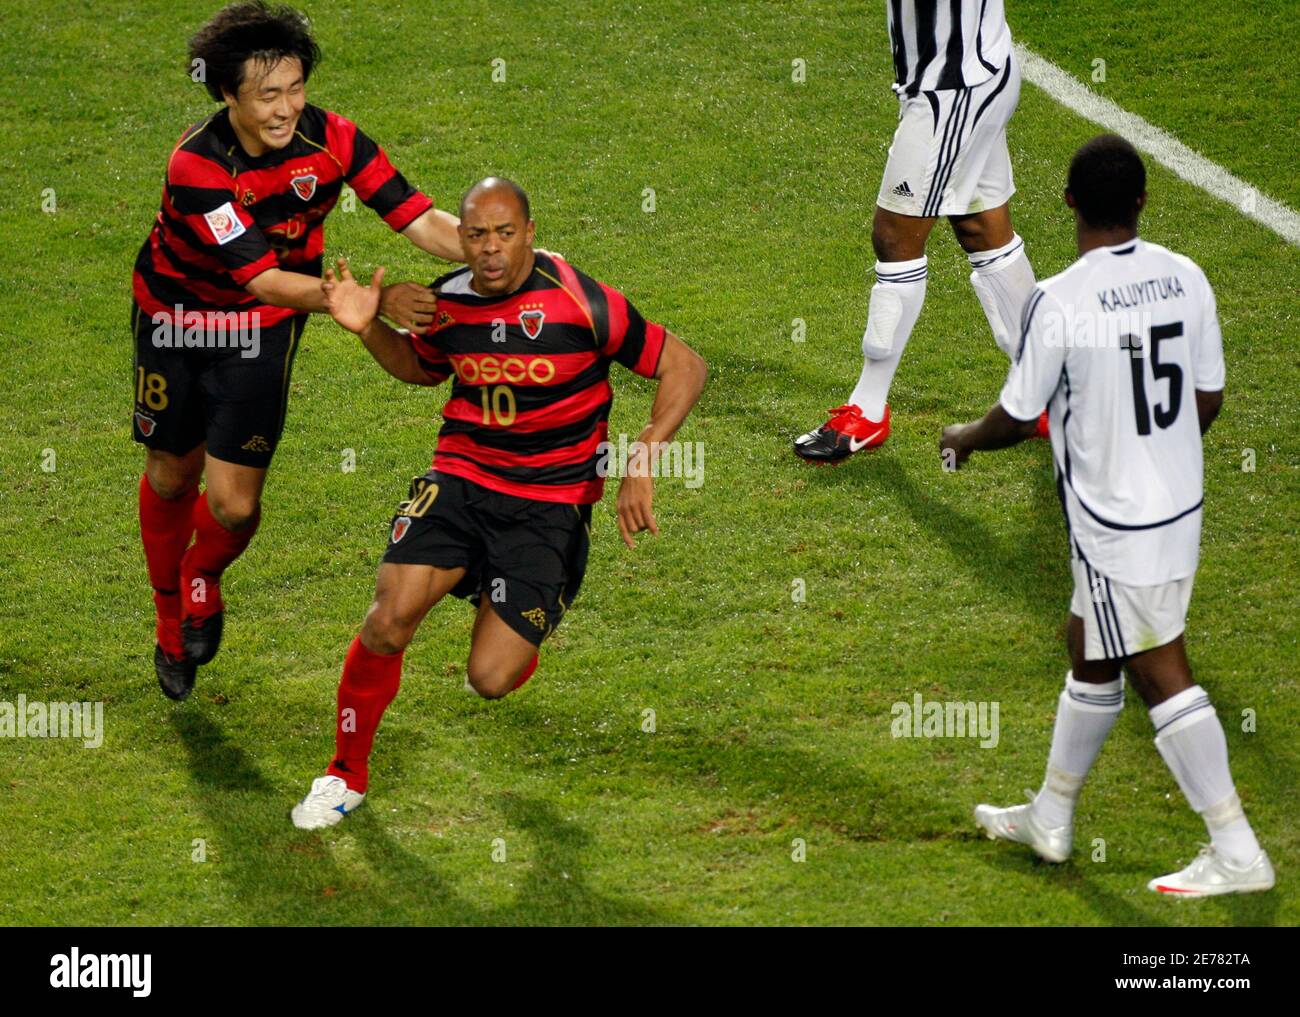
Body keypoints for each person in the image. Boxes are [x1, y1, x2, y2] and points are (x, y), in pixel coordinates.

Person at [290, 178, 708, 829]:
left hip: (548, 504)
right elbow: (420, 367)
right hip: (460, 482)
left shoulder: (578, 299)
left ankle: (513, 601)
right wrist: (368, 325)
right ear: (460, 238)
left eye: (504, 234)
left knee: (490, 676)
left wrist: (646, 453)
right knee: (387, 619)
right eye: (476, 234)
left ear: (530, 234)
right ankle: (344, 772)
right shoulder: (449, 301)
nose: (490, 249)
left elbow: (684, 364)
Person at [942, 135, 1272, 897]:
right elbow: (1209, 398)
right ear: (1144, 201)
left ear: (1066, 203)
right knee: (1088, 644)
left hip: (1114, 521)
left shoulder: (1060, 300)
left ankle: (1235, 847)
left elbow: (1020, 415)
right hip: (1177, 505)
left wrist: (962, 438)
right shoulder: (1185, 277)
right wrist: (1158, 458)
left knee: (1161, 669)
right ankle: (1052, 815)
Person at [134, 2, 462, 701]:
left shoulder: (334, 140)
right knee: (169, 475)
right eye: (266, 95)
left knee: (233, 508)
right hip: (177, 323)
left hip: (260, 326)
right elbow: (259, 274)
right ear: (227, 95)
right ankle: (170, 619)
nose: (286, 109)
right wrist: (360, 302)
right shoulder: (197, 165)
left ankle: (203, 577)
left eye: (294, 88)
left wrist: (500, 254)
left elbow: (420, 217)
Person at [794, 0, 1043, 463]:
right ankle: (1047, 387)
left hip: (953, 84)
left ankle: (867, 411)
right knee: (982, 228)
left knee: (895, 238)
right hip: (973, 69)